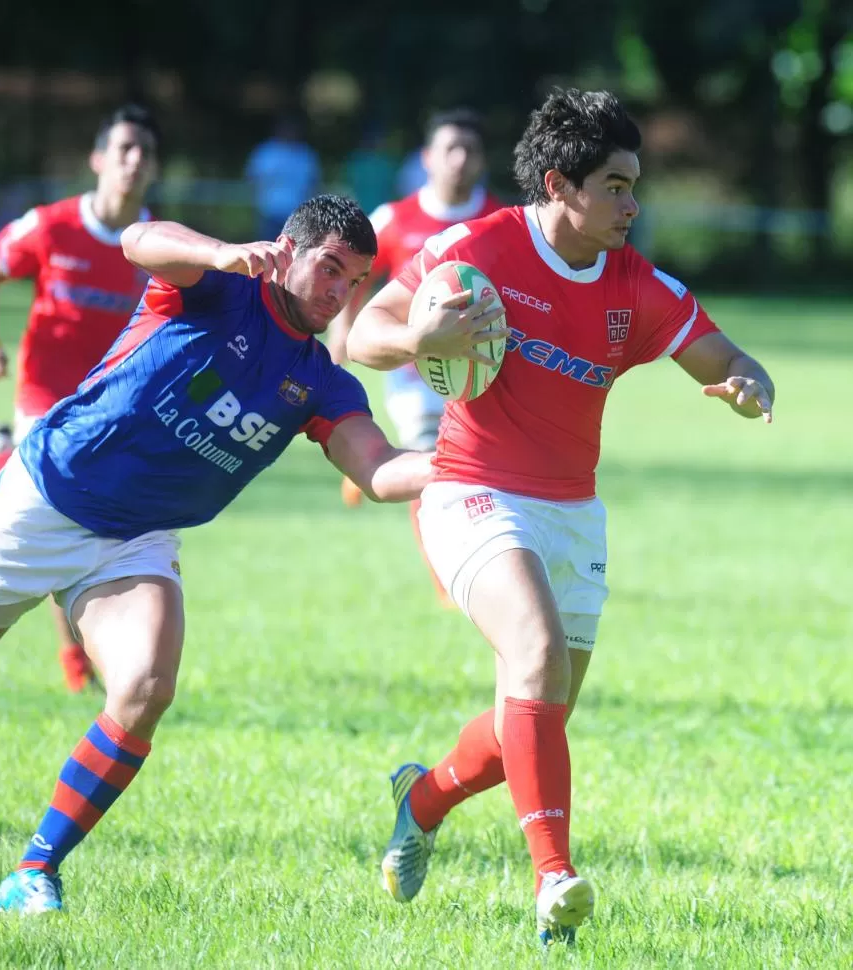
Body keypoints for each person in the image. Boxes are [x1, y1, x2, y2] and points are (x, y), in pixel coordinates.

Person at [0, 195, 435, 915]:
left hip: (135, 540)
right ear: (287, 250)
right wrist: (218, 252)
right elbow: (139, 238)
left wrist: (466, 461)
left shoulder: (323, 381)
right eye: (329, 268)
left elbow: (378, 469)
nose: (339, 292)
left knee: (144, 688)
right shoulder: (218, 288)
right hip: (47, 499)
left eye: (355, 281)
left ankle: (33, 872)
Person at [346, 89, 775, 946]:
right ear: (559, 185)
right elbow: (365, 334)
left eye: (635, 185)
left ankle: (421, 797)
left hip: (573, 511)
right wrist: (426, 335)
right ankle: (555, 881)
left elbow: (720, 351)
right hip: (470, 489)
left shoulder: (634, 283)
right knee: (534, 656)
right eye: (615, 186)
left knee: (534, 715)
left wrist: (746, 379)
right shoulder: (480, 249)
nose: (633, 204)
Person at [0, 104, 161, 692]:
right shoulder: (51, 225)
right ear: (98, 160)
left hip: (113, 408)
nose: (134, 159)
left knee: (79, 531)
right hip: (45, 394)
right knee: (59, 513)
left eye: (145, 150)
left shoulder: (157, 244)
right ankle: (76, 660)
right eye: (123, 148)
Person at [329, 108, 501, 606]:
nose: (461, 159)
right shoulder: (394, 218)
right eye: (451, 148)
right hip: (412, 371)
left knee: (479, 467)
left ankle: (364, 469)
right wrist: (344, 332)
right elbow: (354, 278)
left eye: (470, 150)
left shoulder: (497, 220)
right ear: (427, 158)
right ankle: (445, 581)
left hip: (481, 371)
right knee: (435, 461)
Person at [245, 116, 322, 241]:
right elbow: (253, 179)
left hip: (298, 214)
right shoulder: (266, 152)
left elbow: (313, 184)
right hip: (270, 212)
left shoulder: (305, 154)